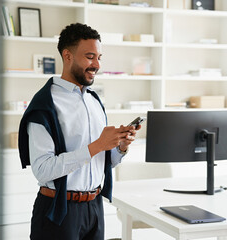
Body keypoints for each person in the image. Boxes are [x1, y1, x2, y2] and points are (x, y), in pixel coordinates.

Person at [18, 23, 141, 240]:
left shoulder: (93, 100)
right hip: (58, 211)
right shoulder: (45, 104)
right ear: (67, 56)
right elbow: (43, 169)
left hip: (94, 208)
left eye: (99, 57)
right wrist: (97, 146)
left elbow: (101, 161)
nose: (97, 64)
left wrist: (120, 147)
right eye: (90, 56)